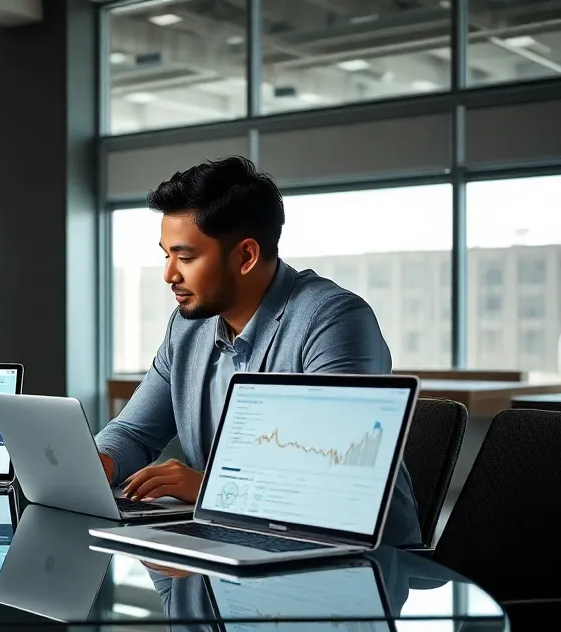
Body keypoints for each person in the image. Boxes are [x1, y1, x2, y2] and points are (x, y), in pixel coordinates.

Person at [94, 157, 420, 547]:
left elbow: (340, 479)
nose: (169, 274)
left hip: (355, 560)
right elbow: (134, 431)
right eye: (166, 255)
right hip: (234, 544)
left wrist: (210, 487)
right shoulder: (187, 327)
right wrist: (97, 464)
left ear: (246, 256)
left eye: (185, 257)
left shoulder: (334, 321)